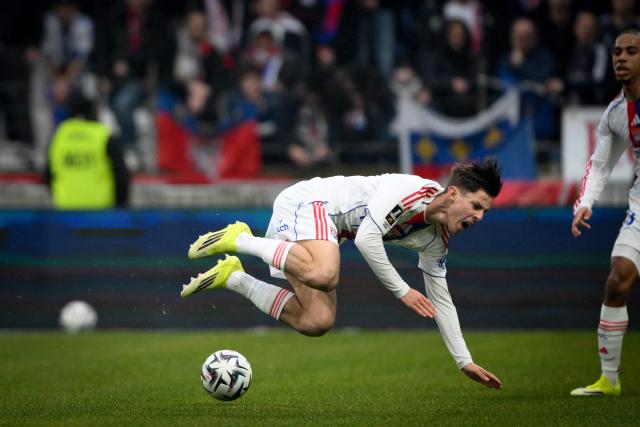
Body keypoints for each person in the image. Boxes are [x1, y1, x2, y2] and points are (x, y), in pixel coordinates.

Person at [182, 157, 504, 390]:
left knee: (317, 321)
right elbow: (366, 238)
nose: (479, 217)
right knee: (325, 273)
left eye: (485, 212)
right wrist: (403, 290)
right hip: (310, 202)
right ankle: (240, 238)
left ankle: (234, 276)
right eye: (476, 206)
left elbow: (442, 301)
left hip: (326, 231)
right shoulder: (410, 191)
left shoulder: (437, 240)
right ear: (452, 195)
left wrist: (464, 361)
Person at [570, 30, 640, 396]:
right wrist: (585, 203)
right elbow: (599, 166)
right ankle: (608, 380)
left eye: (631, 51)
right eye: (616, 52)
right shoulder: (616, 114)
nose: (621, 58)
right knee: (618, 279)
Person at [44, 95, 130, 209]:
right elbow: (121, 176)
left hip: (66, 210)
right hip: (101, 212)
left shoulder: (59, 135)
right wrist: (120, 206)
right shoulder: (104, 136)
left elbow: (48, 175)